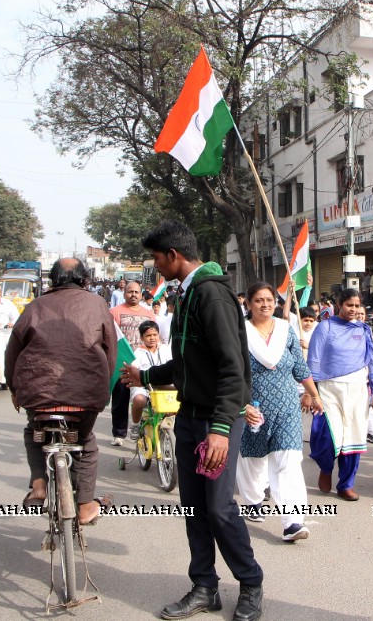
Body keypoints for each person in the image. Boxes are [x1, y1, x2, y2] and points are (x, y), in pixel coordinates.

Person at [120, 222, 263, 621]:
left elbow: (233, 368)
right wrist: (144, 376)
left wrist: (220, 429)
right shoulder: (186, 295)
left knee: (219, 509)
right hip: (190, 417)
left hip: (218, 421)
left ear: (173, 256)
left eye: (155, 258)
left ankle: (251, 583)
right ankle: (204, 587)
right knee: (195, 508)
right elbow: (186, 362)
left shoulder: (211, 295)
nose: (155, 265)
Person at [5, 258, 116, 527]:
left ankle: (39, 484)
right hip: (86, 395)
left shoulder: (35, 306)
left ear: (52, 280)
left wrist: (14, 388)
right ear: (85, 279)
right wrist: (104, 385)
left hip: (38, 395)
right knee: (85, 443)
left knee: (34, 433)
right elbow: (110, 352)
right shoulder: (98, 304)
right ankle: (86, 504)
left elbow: (12, 352)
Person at [236, 282, 323, 542]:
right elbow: (232, 371)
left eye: (270, 299)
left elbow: (300, 367)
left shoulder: (286, 330)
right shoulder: (240, 333)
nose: (265, 304)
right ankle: (252, 501)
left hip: (286, 406)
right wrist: (242, 405)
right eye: (259, 300)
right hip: (253, 406)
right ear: (248, 304)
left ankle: (293, 522)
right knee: (253, 459)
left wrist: (314, 394)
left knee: (288, 462)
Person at [307, 288, 373, 502]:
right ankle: (326, 467)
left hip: (357, 388)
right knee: (328, 435)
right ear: (339, 305)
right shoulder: (325, 327)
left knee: (353, 437)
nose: (354, 309)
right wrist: (311, 393)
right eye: (350, 305)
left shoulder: (364, 329)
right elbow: (314, 360)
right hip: (329, 389)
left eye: (357, 306)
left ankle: (346, 484)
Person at [110, 280, 156, 445]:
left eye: (136, 292)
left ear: (141, 293)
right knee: (120, 400)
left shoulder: (149, 314)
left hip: (143, 365)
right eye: (130, 292)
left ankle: (145, 431)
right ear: (124, 294)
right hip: (122, 365)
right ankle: (119, 434)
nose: (133, 295)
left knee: (144, 399)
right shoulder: (114, 312)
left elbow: (155, 336)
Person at [127, 320, 172, 444]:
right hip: (144, 385)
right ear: (142, 337)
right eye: (148, 335)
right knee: (139, 399)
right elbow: (135, 370)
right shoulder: (137, 353)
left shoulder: (166, 349)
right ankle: (135, 424)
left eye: (155, 335)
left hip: (163, 384)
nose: (152, 338)